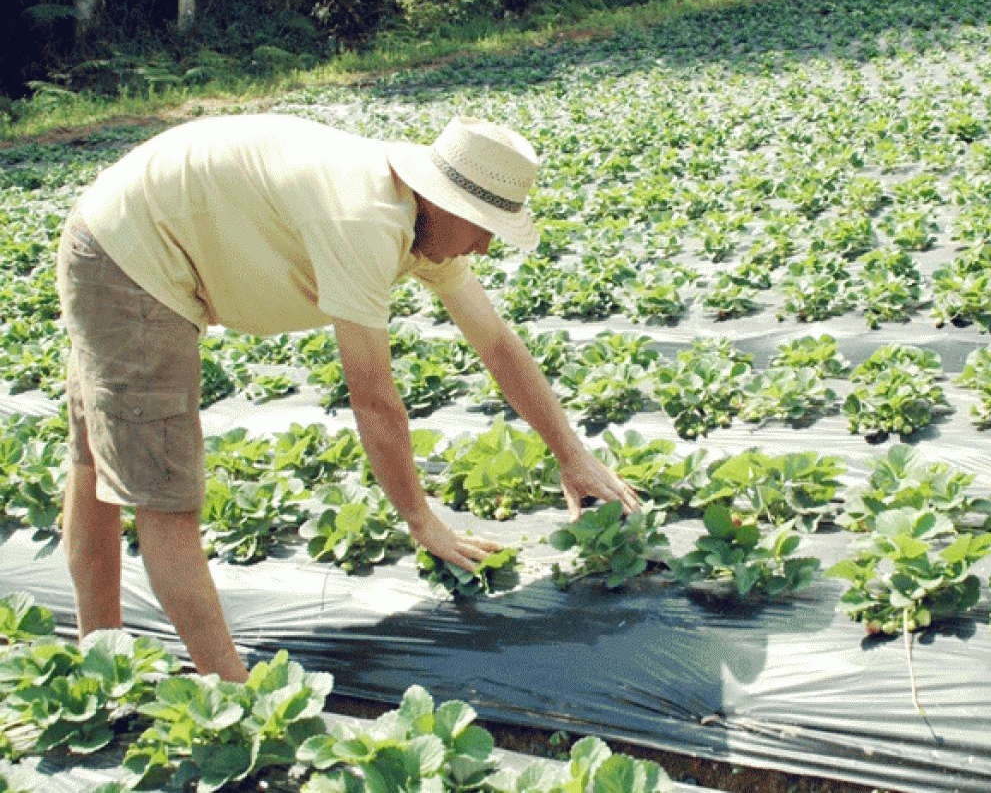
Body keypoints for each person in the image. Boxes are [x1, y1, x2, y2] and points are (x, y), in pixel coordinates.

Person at [56, 113, 642, 683]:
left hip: (125, 228)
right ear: (447, 203)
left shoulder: (425, 222)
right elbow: (374, 400)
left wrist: (572, 454)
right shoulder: (366, 218)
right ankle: (232, 702)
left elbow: (497, 343)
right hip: (129, 258)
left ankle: (98, 660)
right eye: (484, 226)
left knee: (98, 460)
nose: (486, 246)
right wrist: (421, 521)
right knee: (163, 495)